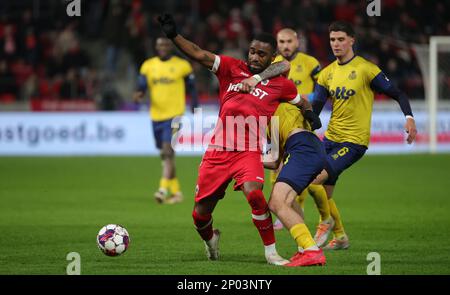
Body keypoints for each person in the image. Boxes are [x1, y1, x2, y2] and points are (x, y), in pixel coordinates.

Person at [157, 14, 321, 265]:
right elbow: (199, 54)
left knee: (256, 196)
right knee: (200, 215)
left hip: (249, 151)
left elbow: (301, 99)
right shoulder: (231, 68)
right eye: (252, 52)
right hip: (219, 151)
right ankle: (210, 240)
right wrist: (174, 36)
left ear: (271, 58)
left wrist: (309, 114)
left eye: (261, 54)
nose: (254, 57)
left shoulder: (280, 85)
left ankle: (271, 253)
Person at [310, 21, 417, 249]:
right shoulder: (327, 73)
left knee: (314, 178)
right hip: (330, 139)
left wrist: (409, 118)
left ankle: (324, 223)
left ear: (351, 40)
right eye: (332, 40)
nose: (336, 44)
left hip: (354, 143)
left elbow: (398, 93)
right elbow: (315, 111)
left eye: (340, 39)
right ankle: (340, 237)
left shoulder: (366, 69)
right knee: (324, 193)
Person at [270, 28, 334, 246]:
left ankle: (327, 220)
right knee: (281, 176)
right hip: (280, 126)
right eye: (281, 41)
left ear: (297, 41)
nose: (285, 45)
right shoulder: (272, 62)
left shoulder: (309, 62)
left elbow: (325, 90)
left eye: (289, 41)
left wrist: (304, 97)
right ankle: (295, 220)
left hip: (303, 127)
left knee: (312, 181)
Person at [133, 37, 199, 204]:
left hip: (175, 115)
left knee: (167, 151)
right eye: (160, 44)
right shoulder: (148, 65)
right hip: (156, 116)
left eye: (166, 44)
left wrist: (195, 105)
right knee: (166, 155)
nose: (163, 47)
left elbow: (192, 88)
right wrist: (139, 94)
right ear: (156, 46)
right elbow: (141, 86)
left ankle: (162, 190)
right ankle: (176, 193)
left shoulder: (182, 65)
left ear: (171, 46)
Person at [263, 102, 327, 267]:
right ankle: (304, 249)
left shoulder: (277, 106)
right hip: (311, 147)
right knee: (288, 201)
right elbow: (275, 161)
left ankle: (311, 249)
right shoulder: (276, 116)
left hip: (302, 148)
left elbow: (304, 100)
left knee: (277, 202)